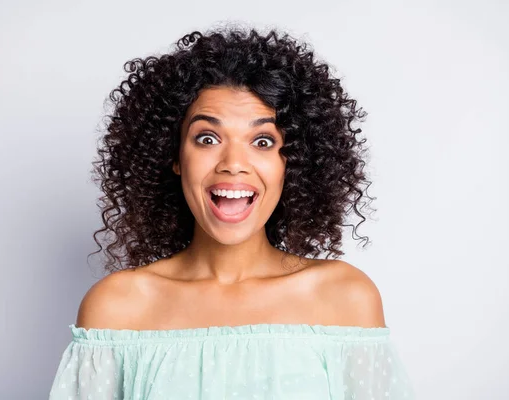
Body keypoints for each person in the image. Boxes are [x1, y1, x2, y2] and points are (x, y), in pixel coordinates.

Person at [48, 26, 415, 399]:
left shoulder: (344, 297)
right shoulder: (117, 308)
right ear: (175, 156)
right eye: (207, 138)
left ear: (294, 162)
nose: (234, 164)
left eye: (262, 141)